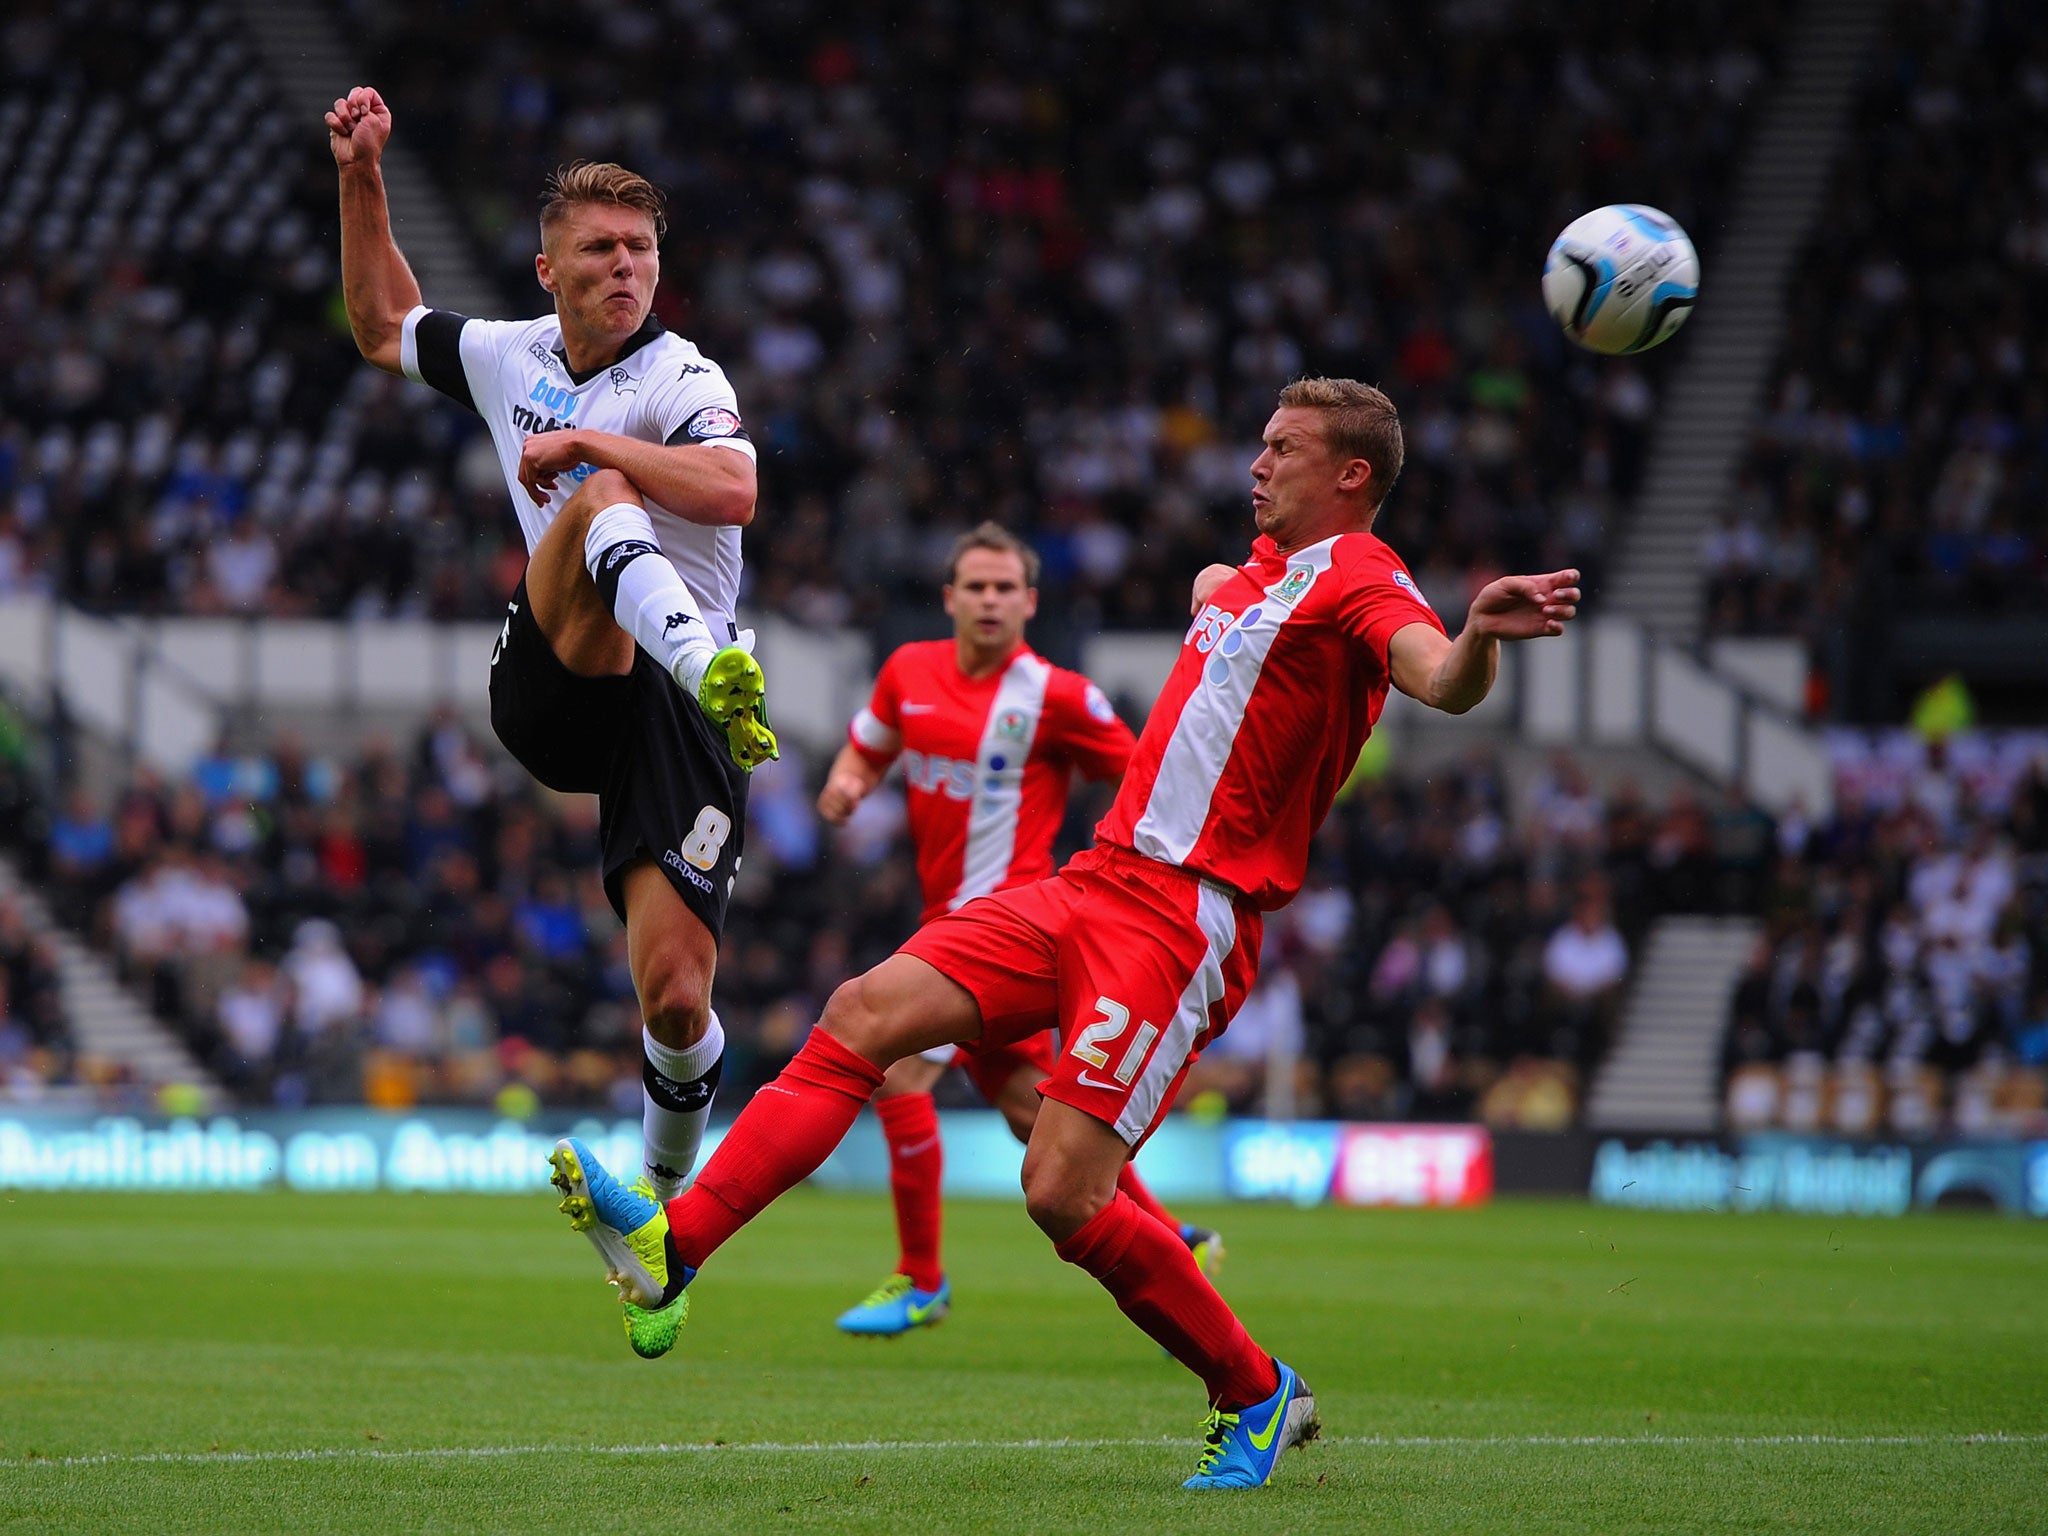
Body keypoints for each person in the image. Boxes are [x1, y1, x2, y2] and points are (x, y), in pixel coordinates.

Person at [547, 377, 1581, 1488]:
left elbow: (1437, 678)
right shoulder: (1235, 579)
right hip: (1092, 881)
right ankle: (674, 1248)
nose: (1255, 464)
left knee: (1060, 1191)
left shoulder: (1365, 578)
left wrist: (1476, 634)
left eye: (1282, 449)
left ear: (1351, 476)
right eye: (1261, 443)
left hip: (1186, 917)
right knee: (863, 1015)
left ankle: (1254, 1390)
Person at [329, 89, 773, 1267]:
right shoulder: (505, 356)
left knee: (676, 1000)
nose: (626, 266)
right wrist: (363, 172)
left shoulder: (684, 375)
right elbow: (383, 325)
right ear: (547, 270)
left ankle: (653, 1236)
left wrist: (588, 438)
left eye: (641, 249)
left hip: (669, 724)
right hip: (557, 680)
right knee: (596, 505)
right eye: (601, 249)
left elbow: (733, 492)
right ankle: (708, 658)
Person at [814, 520, 1219, 1337]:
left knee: (895, 1071)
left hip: (1015, 939)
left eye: (1006, 588)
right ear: (949, 599)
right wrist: (848, 786)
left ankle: (921, 1279)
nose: (991, 600)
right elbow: (868, 746)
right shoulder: (907, 672)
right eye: (977, 587)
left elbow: (1146, 777)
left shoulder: (1060, 697)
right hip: (947, 930)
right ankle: (1172, 1238)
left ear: (1031, 602)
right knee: (1032, 1114)